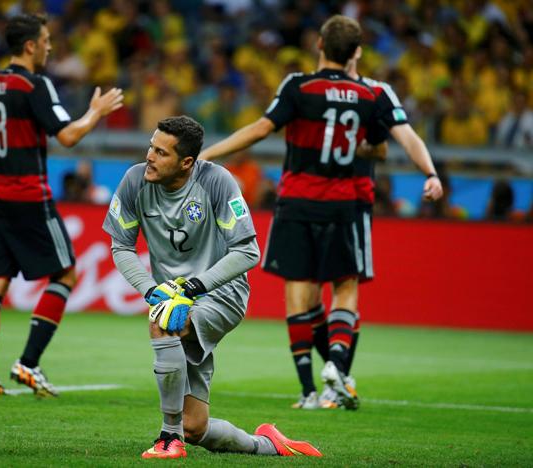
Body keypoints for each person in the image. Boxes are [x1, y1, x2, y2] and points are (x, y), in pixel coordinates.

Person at [103, 115, 321, 459]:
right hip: (175, 296)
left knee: (164, 320)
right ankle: (268, 444)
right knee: (195, 426)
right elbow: (121, 246)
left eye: (161, 152)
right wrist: (149, 289)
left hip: (222, 293)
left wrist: (192, 288)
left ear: (186, 162)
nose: (149, 156)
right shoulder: (134, 181)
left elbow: (248, 251)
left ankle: (167, 438)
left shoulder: (217, 181)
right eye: (151, 147)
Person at [199, 15, 388, 411]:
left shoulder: (299, 86)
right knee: (344, 289)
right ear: (356, 52)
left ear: (319, 43)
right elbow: (382, 147)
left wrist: (208, 154)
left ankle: (308, 391)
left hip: (298, 200)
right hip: (343, 202)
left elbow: (261, 128)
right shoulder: (371, 94)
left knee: (299, 294)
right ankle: (338, 371)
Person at [0, 13, 123, 396]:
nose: (50, 46)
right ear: (30, 46)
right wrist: (96, 113)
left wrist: (4, 173)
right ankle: (28, 362)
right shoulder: (36, 85)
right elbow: (68, 136)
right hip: (28, 196)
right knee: (65, 274)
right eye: (45, 40)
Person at [328, 50, 444, 408]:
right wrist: (429, 172)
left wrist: (430, 171)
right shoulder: (356, 92)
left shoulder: (322, 90)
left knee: (331, 289)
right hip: (330, 201)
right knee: (340, 290)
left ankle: (335, 376)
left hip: (326, 200)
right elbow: (396, 141)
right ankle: (337, 373)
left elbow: (395, 141)